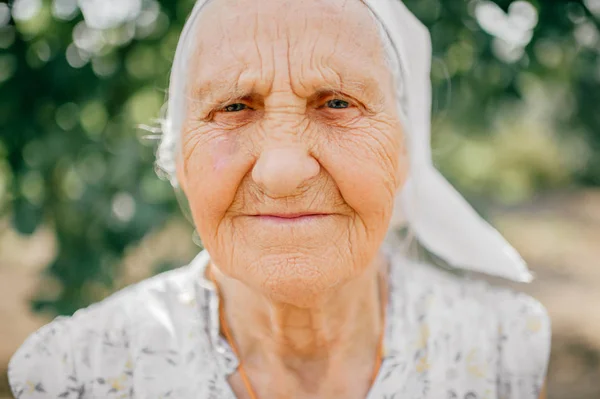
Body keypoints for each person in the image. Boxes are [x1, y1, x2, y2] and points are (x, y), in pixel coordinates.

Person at [7, 0, 551, 398]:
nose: (283, 170)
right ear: (179, 158)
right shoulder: (76, 374)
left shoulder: (501, 351)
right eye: (235, 107)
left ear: (406, 150)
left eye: (338, 102)